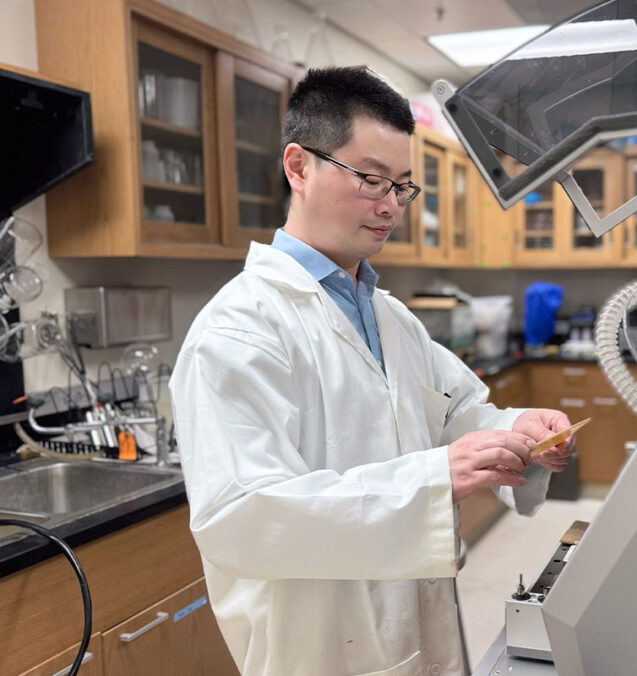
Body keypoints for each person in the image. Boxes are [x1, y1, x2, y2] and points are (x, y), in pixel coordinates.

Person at [169, 66, 577, 676]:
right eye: (371, 179)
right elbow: (241, 517)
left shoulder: (390, 317)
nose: (390, 205)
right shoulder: (240, 329)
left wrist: (521, 429)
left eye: (403, 186)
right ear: (298, 166)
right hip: (318, 645)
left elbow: (454, 417)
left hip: (416, 623)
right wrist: (435, 478)